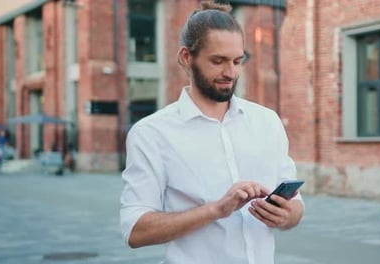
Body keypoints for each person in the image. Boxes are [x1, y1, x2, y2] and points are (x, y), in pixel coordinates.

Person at [120, 1, 304, 263]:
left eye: (237, 61)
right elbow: (134, 230)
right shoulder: (151, 133)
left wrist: (287, 215)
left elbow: (297, 206)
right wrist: (216, 210)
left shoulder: (267, 122)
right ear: (186, 57)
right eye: (218, 61)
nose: (230, 72)